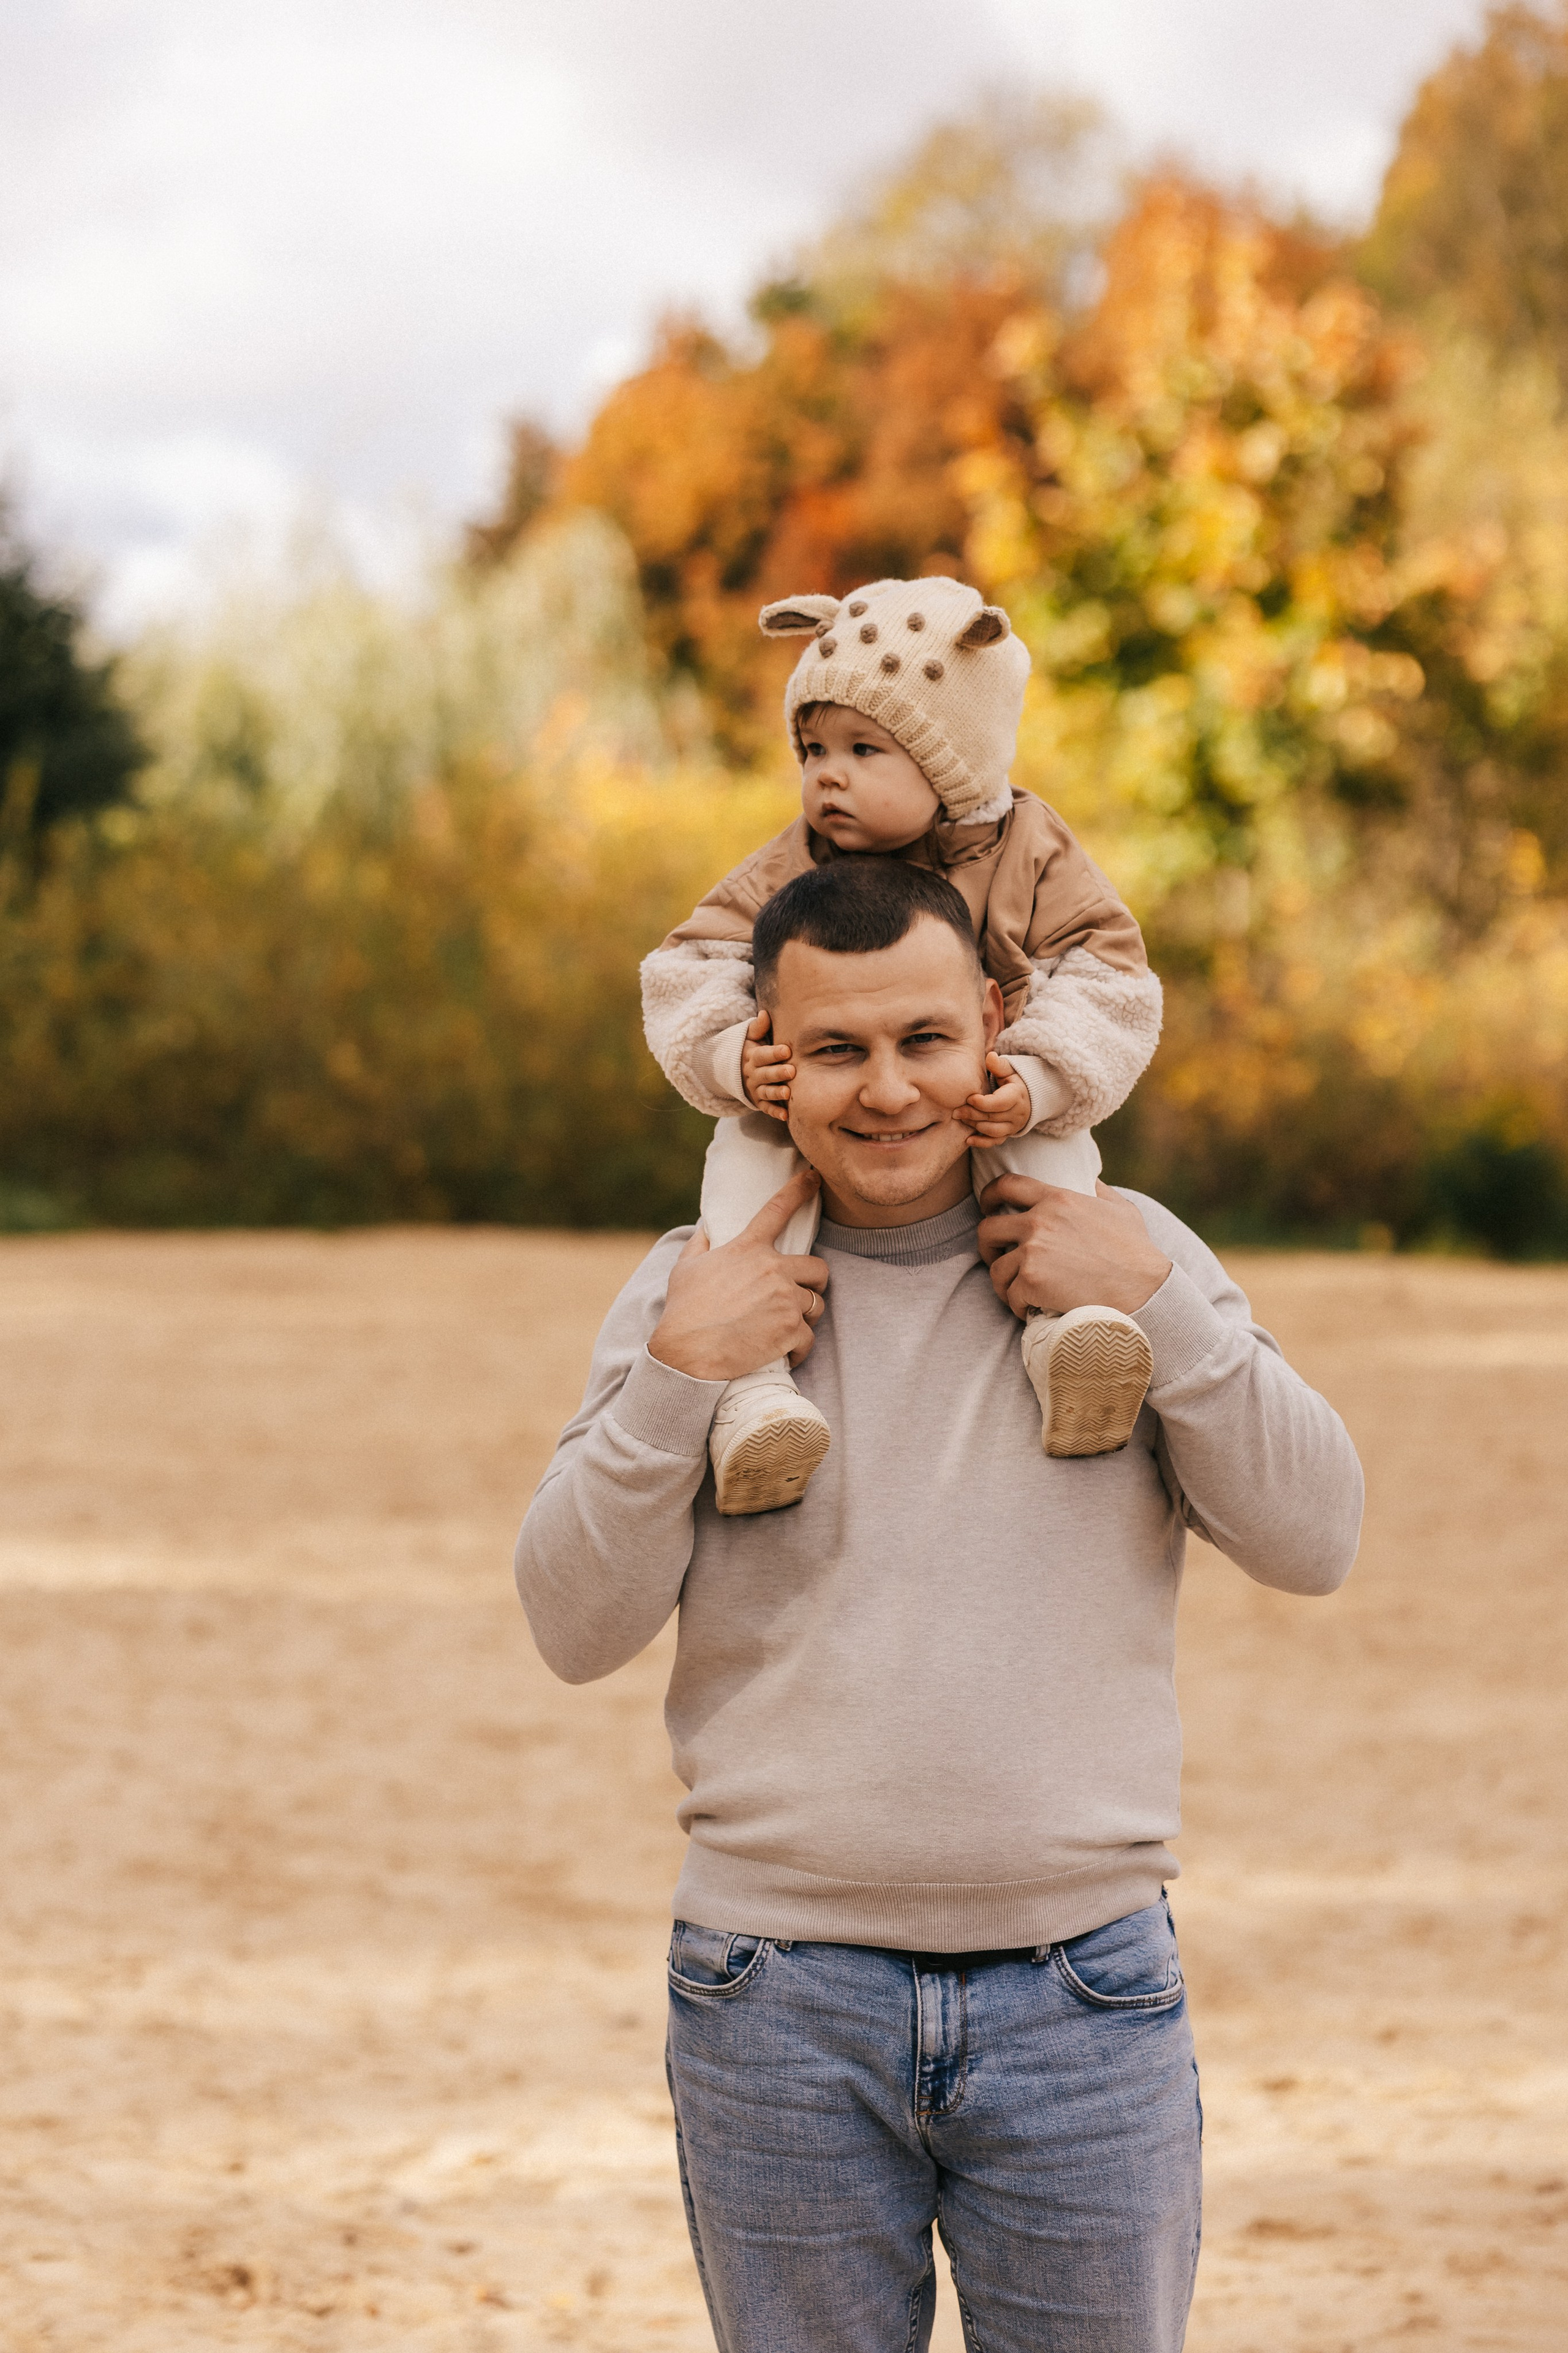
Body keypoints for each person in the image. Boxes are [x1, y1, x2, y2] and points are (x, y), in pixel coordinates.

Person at [516, 858, 1363, 2353]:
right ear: (766, 1059)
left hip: (1085, 1996)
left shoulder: (1121, 1260)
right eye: (834, 1050)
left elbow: (1315, 1536)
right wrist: (679, 1378)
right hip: (770, 2002)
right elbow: (570, 1625)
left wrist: (1159, 1306)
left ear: (995, 1021)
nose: (886, 1091)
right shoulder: (695, 1290)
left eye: (921, 1039)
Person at [641, 573, 1164, 1514]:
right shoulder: (794, 860)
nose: (825, 775)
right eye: (812, 749)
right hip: (802, 1115)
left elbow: (1112, 977)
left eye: (861, 749)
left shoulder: (1029, 851)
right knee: (751, 1167)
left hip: (993, 1090)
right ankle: (753, 1392)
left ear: (954, 760)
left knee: (1054, 1165)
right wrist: (733, 1057)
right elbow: (688, 965)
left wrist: (1040, 1077)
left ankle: (1072, 1329)